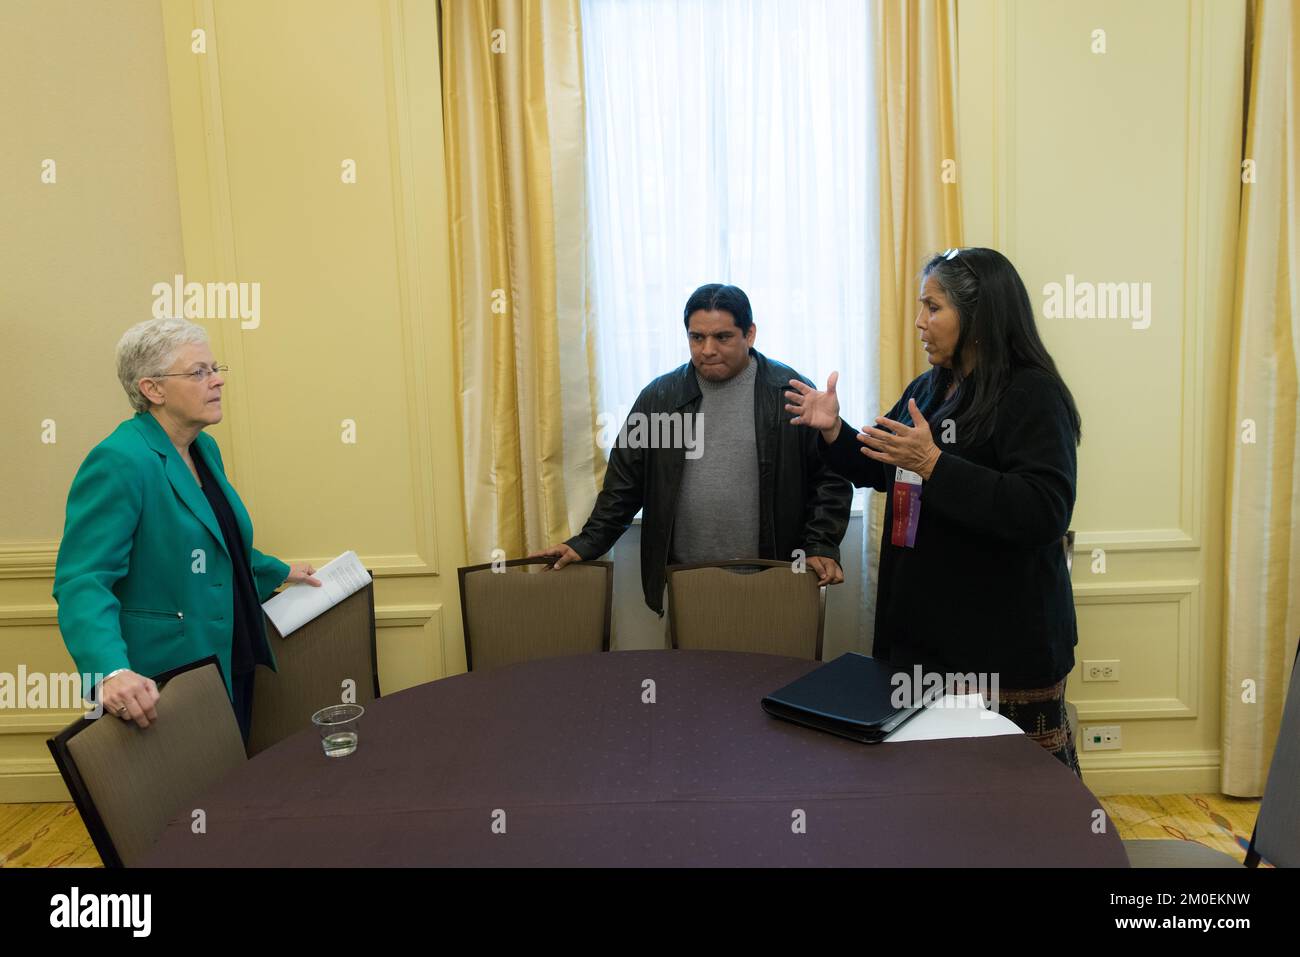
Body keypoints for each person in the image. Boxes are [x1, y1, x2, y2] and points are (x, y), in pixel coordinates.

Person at [784, 248, 1084, 774]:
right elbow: (884, 467)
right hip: (924, 634)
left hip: (1000, 646)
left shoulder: (1032, 393)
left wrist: (935, 464)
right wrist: (835, 430)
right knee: (939, 791)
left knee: (1019, 801)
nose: (920, 322)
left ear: (980, 314)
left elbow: (1044, 509)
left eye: (933, 307)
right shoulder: (931, 386)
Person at [52, 317, 319, 744]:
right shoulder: (120, 461)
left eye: (215, 369)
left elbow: (215, 538)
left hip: (229, 651)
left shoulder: (203, 447)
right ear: (152, 389)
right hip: (168, 677)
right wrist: (110, 671)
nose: (217, 382)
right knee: (189, 799)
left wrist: (277, 570)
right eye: (199, 372)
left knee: (227, 783)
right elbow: (83, 580)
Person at [535, 283, 853, 616]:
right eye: (696, 337)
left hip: (775, 575)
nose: (707, 349)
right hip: (687, 580)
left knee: (776, 669)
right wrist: (585, 544)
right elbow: (624, 487)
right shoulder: (661, 398)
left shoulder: (789, 393)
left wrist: (820, 544)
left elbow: (830, 478)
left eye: (723, 337)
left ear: (750, 334)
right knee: (691, 670)